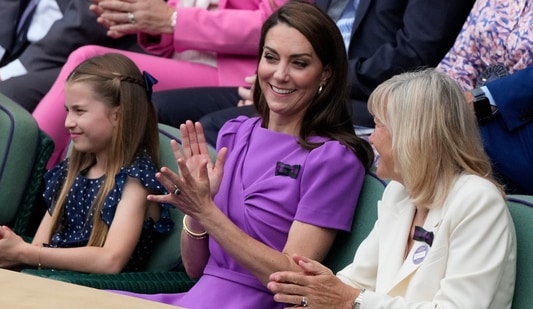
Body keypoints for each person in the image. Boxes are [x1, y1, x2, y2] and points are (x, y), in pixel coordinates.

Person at [112, 2, 374, 307]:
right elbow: (196, 269)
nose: (279, 74)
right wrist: (197, 213)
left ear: (325, 74)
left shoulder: (334, 159)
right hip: (197, 297)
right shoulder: (235, 132)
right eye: (271, 57)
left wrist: (207, 212)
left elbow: (290, 277)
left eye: (299, 63)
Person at [267, 69, 517, 308]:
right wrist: (316, 296)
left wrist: (349, 300)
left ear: (412, 134)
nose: (371, 138)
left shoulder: (478, 201)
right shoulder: (400, 193)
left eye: (378, 125)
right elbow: (357, 280)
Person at [151, 0, 475, 146]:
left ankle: (216, 244)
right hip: (304, 74)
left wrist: (309, 79)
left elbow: (414, 53)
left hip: (368, 95)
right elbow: (300, 23)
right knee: (157, 108)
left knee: (220, 127)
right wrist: (281, 74)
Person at [32, 0, 289, 169]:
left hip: (239, 73)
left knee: (91, 62)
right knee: (91, 71)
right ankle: (46, 182)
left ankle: (24, 172)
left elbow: (279, 25)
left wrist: (173, 20)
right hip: (185, 60)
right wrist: (144, 19)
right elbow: (170, 21)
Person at [0, 53, 173, 273]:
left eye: (79, 111)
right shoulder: (71, 170)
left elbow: (110, 261)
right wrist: (13, 250)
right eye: (68, 111)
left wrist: (26, 253)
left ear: (117, 116)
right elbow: (39, 248)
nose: (68, 123)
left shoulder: (136, 179)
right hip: (48, 287)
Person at [437, 0, 533, 195]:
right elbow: (461, 60)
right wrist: (436, 102)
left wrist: (483, 100)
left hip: (520, 132)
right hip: (474, 115)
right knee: (410, 130)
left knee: (435, 147)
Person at [0, 0, 143, 112]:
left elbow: (89, 19)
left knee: (2, 98)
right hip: (15, 38)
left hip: (87, 52)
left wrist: (3, 75)